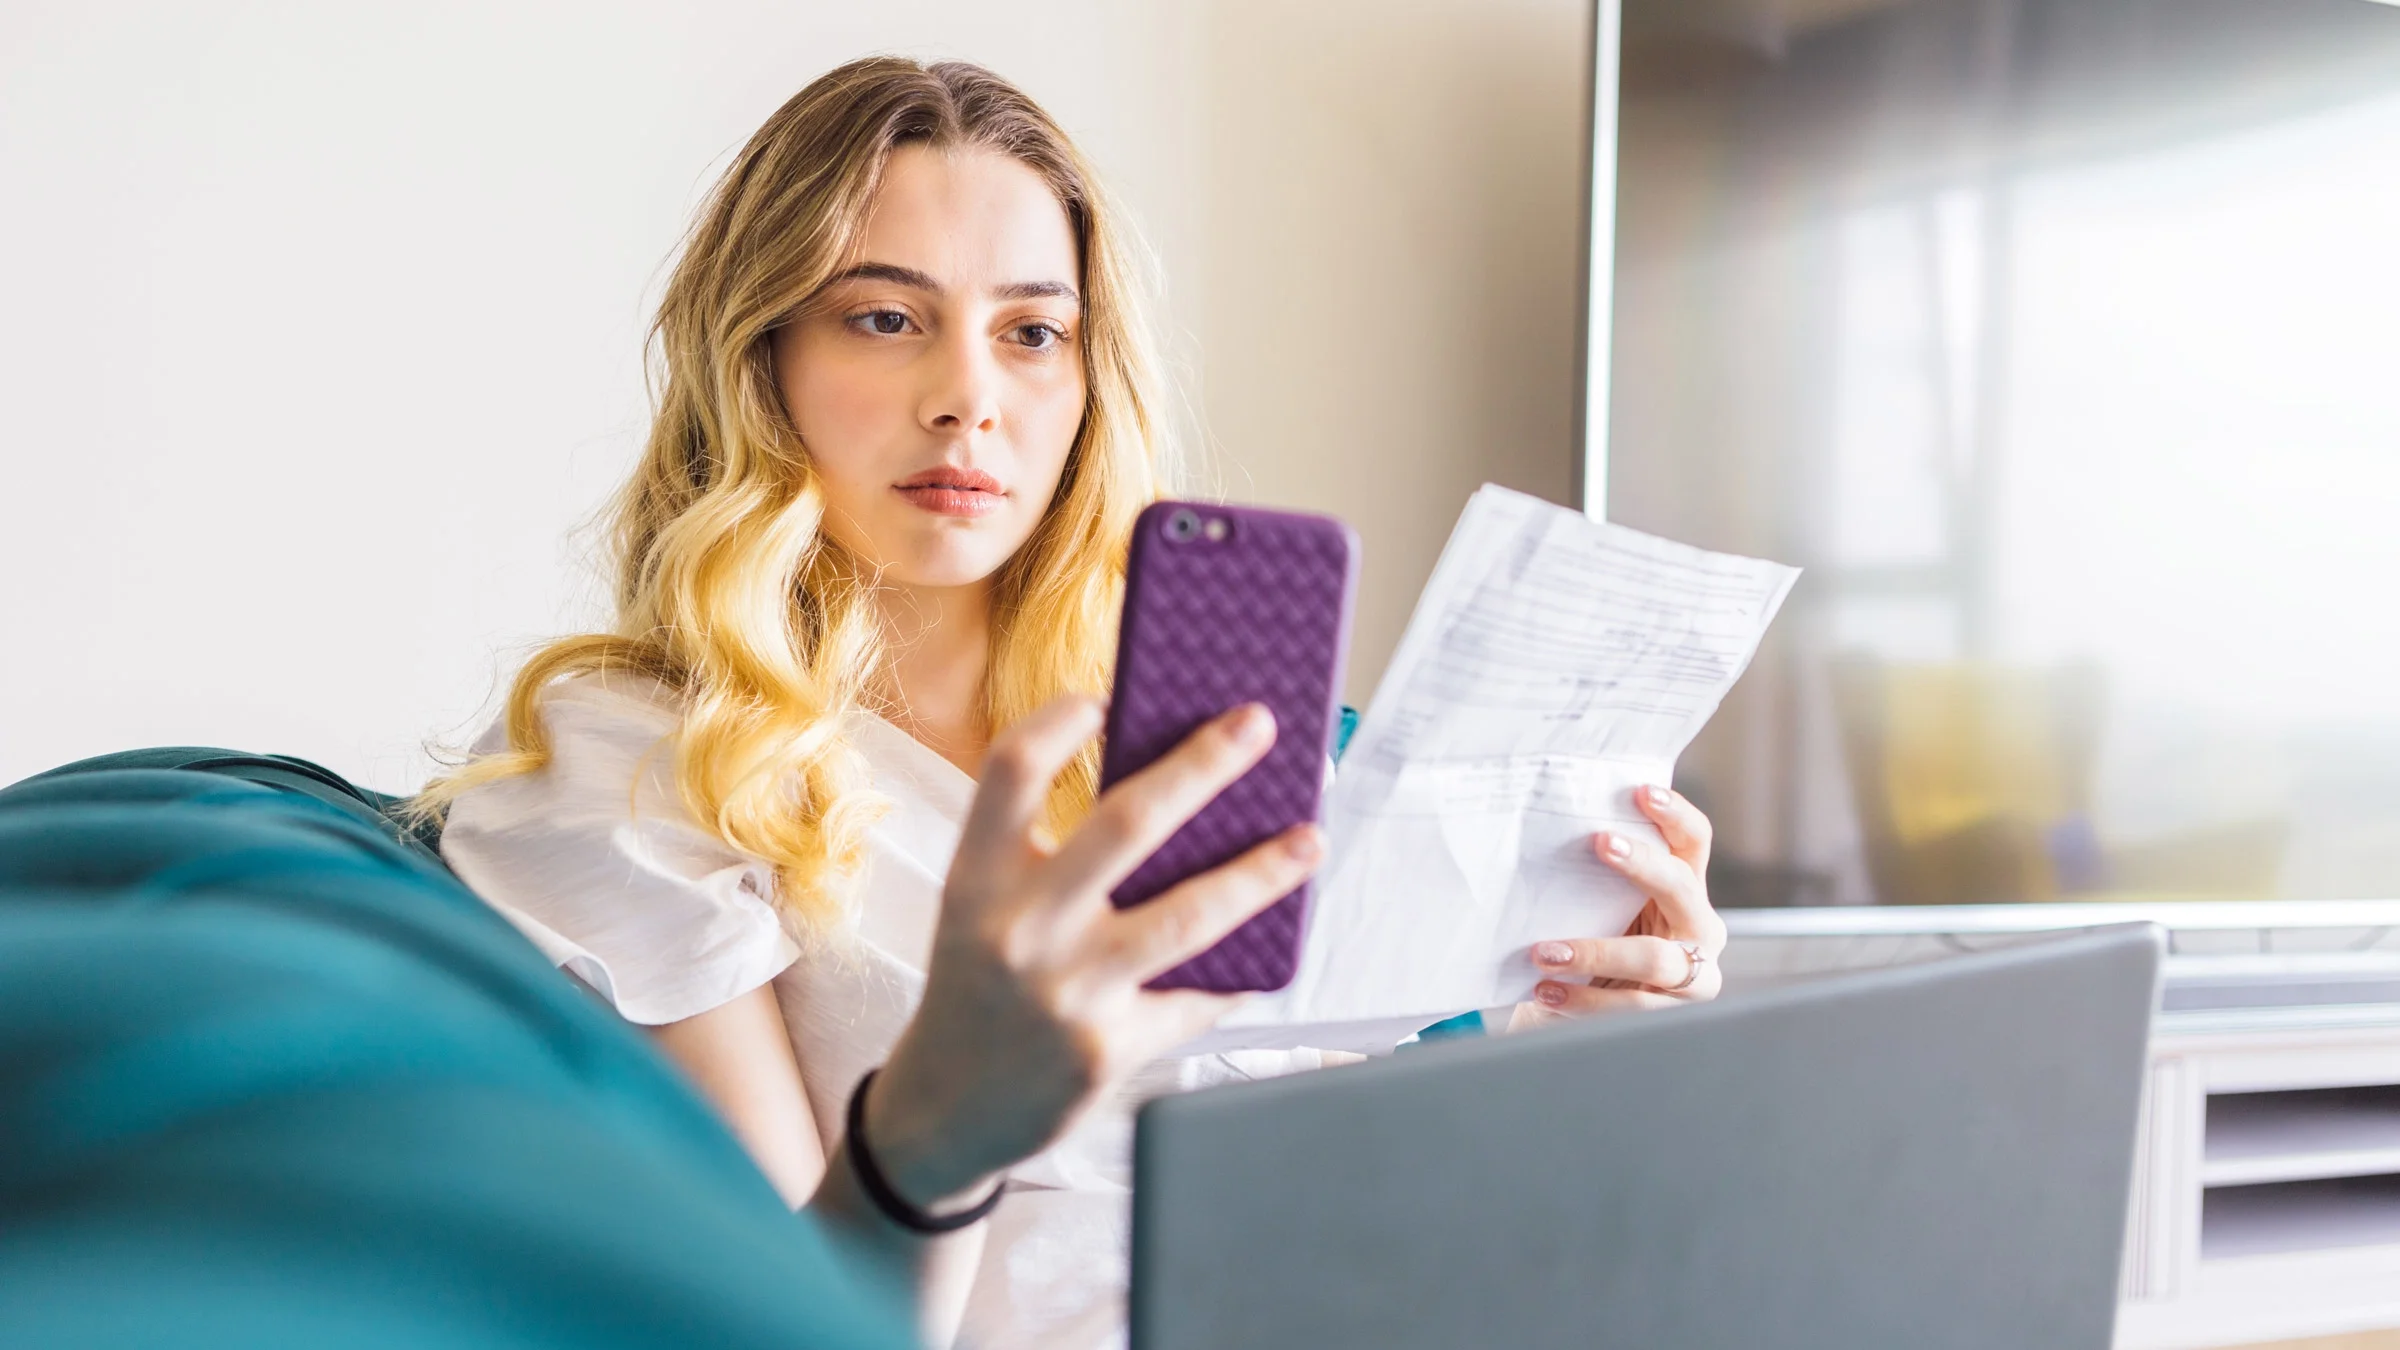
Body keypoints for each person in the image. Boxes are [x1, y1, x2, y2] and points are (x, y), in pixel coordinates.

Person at [420, 56, 1727, 1350]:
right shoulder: (631, 761)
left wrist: (1585, 1045)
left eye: (1032, 332)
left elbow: (1395, 1194)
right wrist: (943, 1123)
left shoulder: (1181, 740)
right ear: (761, 358)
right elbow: (792, 1323)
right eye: (886, 317)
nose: (968, 399)